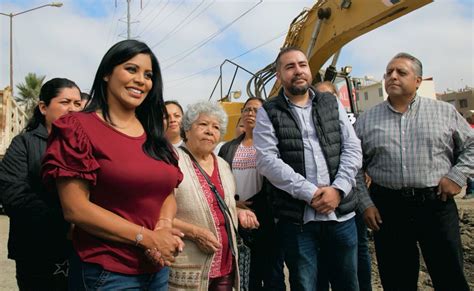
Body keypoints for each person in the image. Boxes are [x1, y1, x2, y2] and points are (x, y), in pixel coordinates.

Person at [41, 39, 185, 290]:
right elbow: (76, 209)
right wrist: (148, 238)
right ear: (107, 73)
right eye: (131, 69)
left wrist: (164, 225)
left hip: (157, 271)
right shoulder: (78, 127)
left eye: (148, 75)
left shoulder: (154, 136)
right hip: (107, 272)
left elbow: (167, 191)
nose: (141, 80)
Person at [355, 52, 472, 291]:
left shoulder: (443, 112)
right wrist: (365, 203)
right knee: (397, 279)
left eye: (401, 72)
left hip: (436, 205)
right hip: (389, 209)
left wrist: (457, 176)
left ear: (418, 80)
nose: (392, 77)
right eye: (388, 73)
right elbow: (353, 166)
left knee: (449, 276)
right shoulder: (367, 119)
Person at [253, 47, 363, 291]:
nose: (298, 70)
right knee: (305, 285)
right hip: (298, 221)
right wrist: (311, 193)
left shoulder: (330, 102)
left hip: (341, 214)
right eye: (290, 66)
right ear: (279, 75)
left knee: (348, 283)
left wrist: (338, 189)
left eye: (302, 64)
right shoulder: (268, 111)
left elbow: (352, 148)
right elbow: (267, 161)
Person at [0, 78, 82, 290]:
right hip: (35, 249)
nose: (72, 109)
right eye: (65, 102)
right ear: (44, 107)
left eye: (77, 103)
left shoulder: (87, 146)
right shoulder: (24, 143)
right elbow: (14, 196)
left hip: (81, 250)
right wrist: (67, 221)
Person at [169, 101, 259, 291]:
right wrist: (195, 233)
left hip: (225, 264)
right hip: (188, 267)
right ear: (187, 129)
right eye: (203, 124)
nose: (210, 131)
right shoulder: (171, 161)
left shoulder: (223, 165)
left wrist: (237, 212)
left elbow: (222, 205)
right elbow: (155, 215)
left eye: (216, 127)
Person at [219, 97, 286, 290]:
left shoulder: (273, 146)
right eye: (247, 109)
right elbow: (221, 179)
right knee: (247, 274)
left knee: (273, 274)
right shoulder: (228, 147)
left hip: (267, 218)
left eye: (256, 110)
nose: (250, 113)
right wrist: (234, 203)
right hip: (237, 217)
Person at [314, 81, 373, 291]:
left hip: (349, 201)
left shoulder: (347, 125)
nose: (324, 101)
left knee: (358, 254)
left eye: (329, 97)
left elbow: (358, 157)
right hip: (321, 204)